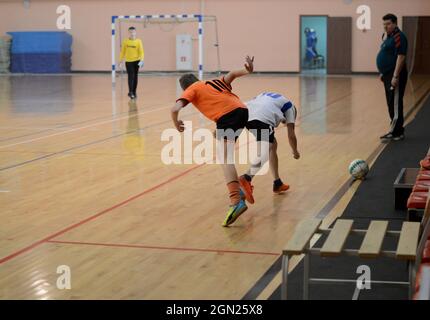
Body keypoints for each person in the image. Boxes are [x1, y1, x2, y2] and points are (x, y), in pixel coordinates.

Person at [171, 56, 254, 227]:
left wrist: (176, 123)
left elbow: (174, 109)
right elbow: (231, 75)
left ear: (184, 87)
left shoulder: (191, 90)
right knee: (221, 146)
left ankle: (235, 200)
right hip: (242, 110)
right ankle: (239, 189)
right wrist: (247, 70)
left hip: (228, 115)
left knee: (224, 158)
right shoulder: (212, 82)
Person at [238, 92, 300, 203]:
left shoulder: (274, 98)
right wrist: (295, 152)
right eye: (284, 121)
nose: (283, 123)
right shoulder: (290, 108)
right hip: (261, 118)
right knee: (266, 150)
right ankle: (246, 178)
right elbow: (291, 135)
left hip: (244, 112)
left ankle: (277, 183)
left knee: (273, 144)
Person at [376, 13, 408, 142]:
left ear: (395, 23)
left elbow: (401, 56)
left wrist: (395, 76)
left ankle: (395, 132)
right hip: (387, 74)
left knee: (395, 103)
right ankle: (397, 131)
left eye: (388, 24)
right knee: (391, 102)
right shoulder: (388, 37)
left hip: (396, 75)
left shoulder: (399, 36)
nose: (385, 26)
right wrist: (383, 72)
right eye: (384, 24)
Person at [119, 26, 144, 99]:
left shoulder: (138, 41)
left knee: (135, 77)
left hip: (137, 61)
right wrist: (120, 61)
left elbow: (141, 52)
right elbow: (122, 52)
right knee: (131, 76)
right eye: (130, 32)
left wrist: (142, 60)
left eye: (133, 32)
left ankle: (134, 91)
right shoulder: (125, 41)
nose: (132, 33)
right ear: (128, 33)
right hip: (128, 62)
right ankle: (130, 92)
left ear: (135, 32)